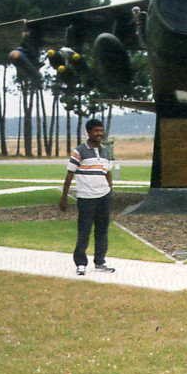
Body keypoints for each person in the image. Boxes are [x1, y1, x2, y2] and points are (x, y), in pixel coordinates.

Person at [59, 118, 115, 276]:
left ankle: (100, 262)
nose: (99, 134)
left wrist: (110, 190)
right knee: (84, 231)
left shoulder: (105, 151)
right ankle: (81, 263)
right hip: (86, 198)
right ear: (88, 132)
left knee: (102, 231)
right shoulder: (79, 151)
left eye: (101, 130)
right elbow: (70, 174)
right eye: (96, 131)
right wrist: (64, 197)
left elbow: (108, 172)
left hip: (103, 197)